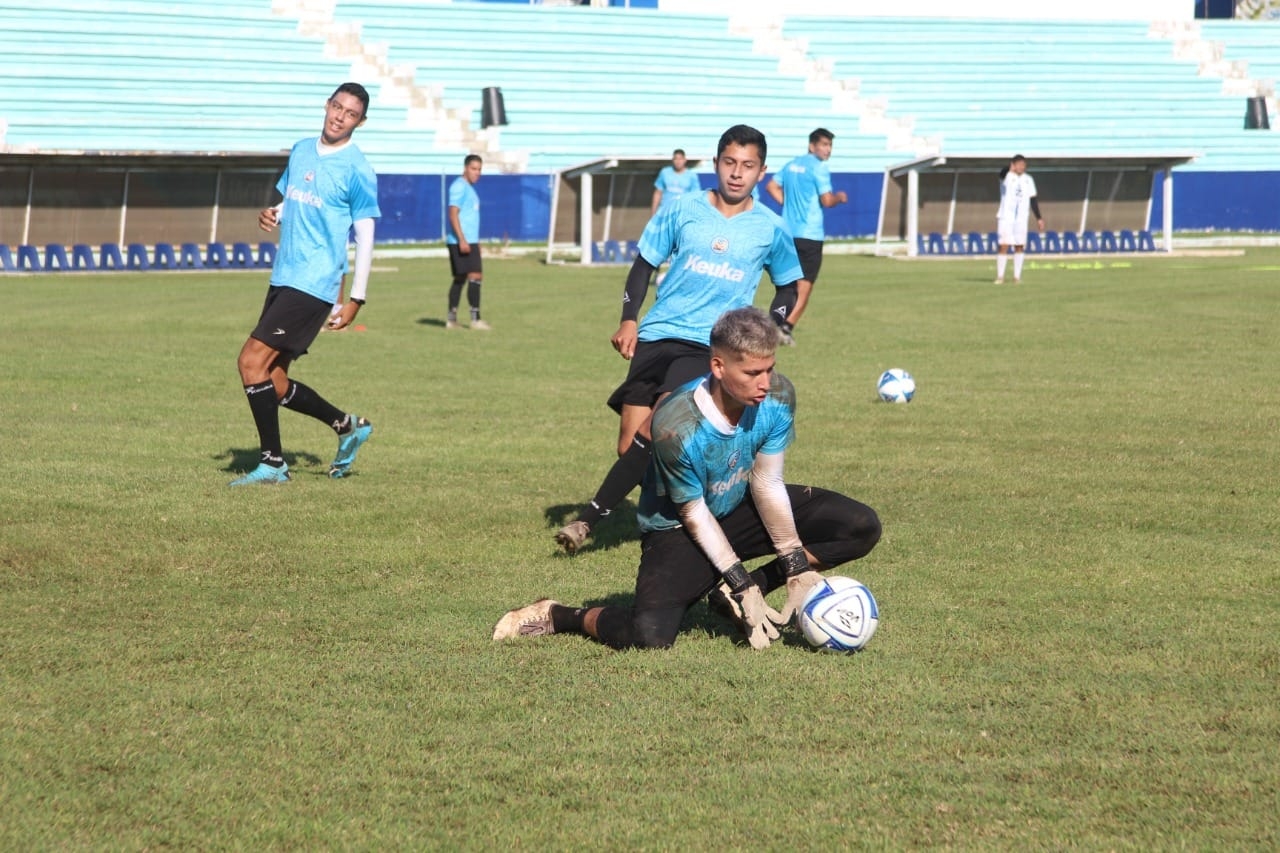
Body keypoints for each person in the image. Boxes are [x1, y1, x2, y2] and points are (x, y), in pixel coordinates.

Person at [497, 307, 881, 650]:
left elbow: (766, 483)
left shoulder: (777, 395)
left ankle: (746, 592)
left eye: (769, 368)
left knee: (859, 526)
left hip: (738, 504)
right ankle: (558, 615)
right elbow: (694, 512)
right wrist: (738, 578)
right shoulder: (675, 426)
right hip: (678, 526)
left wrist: (795, 565)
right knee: (649, 635)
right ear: (718, 367)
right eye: (752, 373)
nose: (765, 382)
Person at [553, 124, 809, 555]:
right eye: (729, 162)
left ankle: (587, 521)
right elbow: (642, 266)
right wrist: (629, 320)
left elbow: (790, 286)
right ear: (715, 163)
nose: (736, 173)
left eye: (747, 166)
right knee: (631, 446)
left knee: (660, 429)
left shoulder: (770, 227)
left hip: (707, 345)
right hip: (657, 335)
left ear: (762, 172)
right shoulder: (682, 208)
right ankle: (697, 504)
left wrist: (771, 324)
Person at [230, 82, 380, 486]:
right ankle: (346, 425)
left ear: (360, 122)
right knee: (273, 380)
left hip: (314, 284)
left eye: (350, 113)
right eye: (336, 106)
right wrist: (274, 215)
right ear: (326, 105)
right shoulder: (300, 150)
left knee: (249, 362)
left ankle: (273, 463)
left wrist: (355, 299)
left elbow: (365, 236)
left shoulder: (358, 169)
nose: (339, 116)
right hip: (285, 275)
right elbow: (293, 200)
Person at [765, 128, 847, 346]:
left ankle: (775, 322)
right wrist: (839, 196)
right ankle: (785, 328)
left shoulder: (791, 165)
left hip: (788, 232)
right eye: (824, 145)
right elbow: (827, 201)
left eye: (830, 145)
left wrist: (787, 203)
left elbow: (771, 185)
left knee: (787, 284)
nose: (827, 149)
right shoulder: (819, 167)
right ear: (812, 146)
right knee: (805, 286)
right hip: (810, 235)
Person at [446, 154, 490, 330]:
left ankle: (451, 319)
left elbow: (468, 218)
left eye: (479, 169)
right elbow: (453, 213)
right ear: (465, 168)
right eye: (473, 168)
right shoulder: (459, 186)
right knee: (475, 276)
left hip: (469, 240)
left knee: (461, 278)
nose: (477, 173)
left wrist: (475, 241)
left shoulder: (469, 189)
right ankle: (475, 320)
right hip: (461, 241)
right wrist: (463, 240)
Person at [994, 154, 1044, 284]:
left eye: (1024, 164)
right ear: (1014, 165)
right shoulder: (1007, 176)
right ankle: (1000, 276)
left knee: (1019, 245)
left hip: (1021, 218)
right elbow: (1001, 174)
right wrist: (1009, 169)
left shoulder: (1028, 179)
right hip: (1006, 217)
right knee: (1003, 245)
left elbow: (1033, 199)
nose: (1022, 167)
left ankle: (1017, 277)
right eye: (1019, 164)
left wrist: (1039, 217)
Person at [650, 148, 701, 216]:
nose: (678, 161)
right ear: (672, 160)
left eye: (680, 159)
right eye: (676, 159)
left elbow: (695, 196)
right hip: (665, 212)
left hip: (683, 213)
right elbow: (658, 193)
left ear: (685, 160)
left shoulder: (691, 175)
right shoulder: (665, 172)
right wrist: (653, 213)